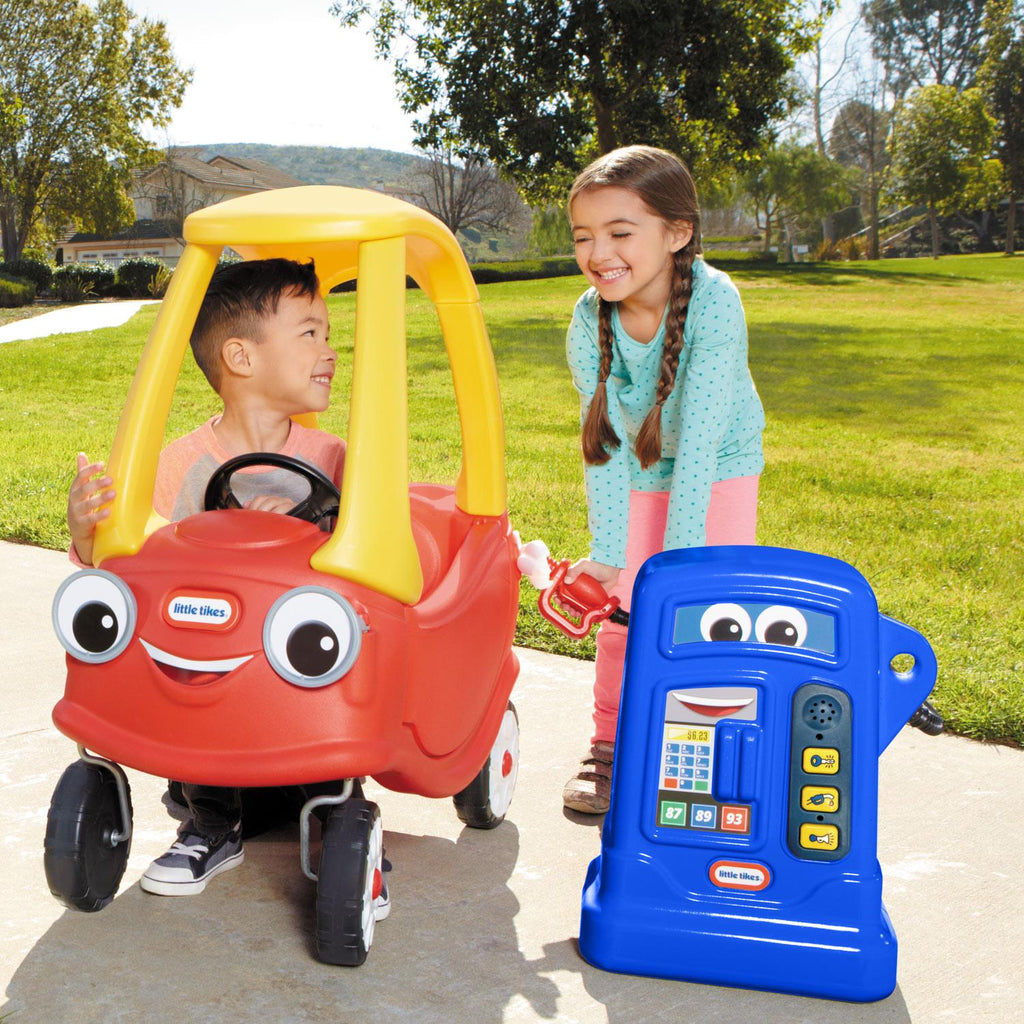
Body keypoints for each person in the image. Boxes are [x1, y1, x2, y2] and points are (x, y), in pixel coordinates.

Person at [65, 257, 367, 899]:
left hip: (299, 690)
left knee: (337, 650)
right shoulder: (183, 464)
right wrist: (89, 535)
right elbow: (131, 574)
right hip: (216, 678)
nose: (331, 350)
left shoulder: (335, 459)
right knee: (178, 654)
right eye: (310, 333)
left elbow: (363, 575)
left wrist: (302, 535)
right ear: (241, 357)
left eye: (328, 333)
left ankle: (341, 819)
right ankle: (212, 823)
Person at [561, 146, 765, 814]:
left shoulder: (715, 302)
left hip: (721, 466)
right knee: (625, 611)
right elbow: (606, 450)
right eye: (584, 236)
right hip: (644, 465)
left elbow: (702, 439)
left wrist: (683, 561)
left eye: (621, 233)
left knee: (706, 612)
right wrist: (612, 556)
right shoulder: (587, 320)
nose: (599, 252)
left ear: (677, 234)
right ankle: (610, 749)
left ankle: (703, 748)